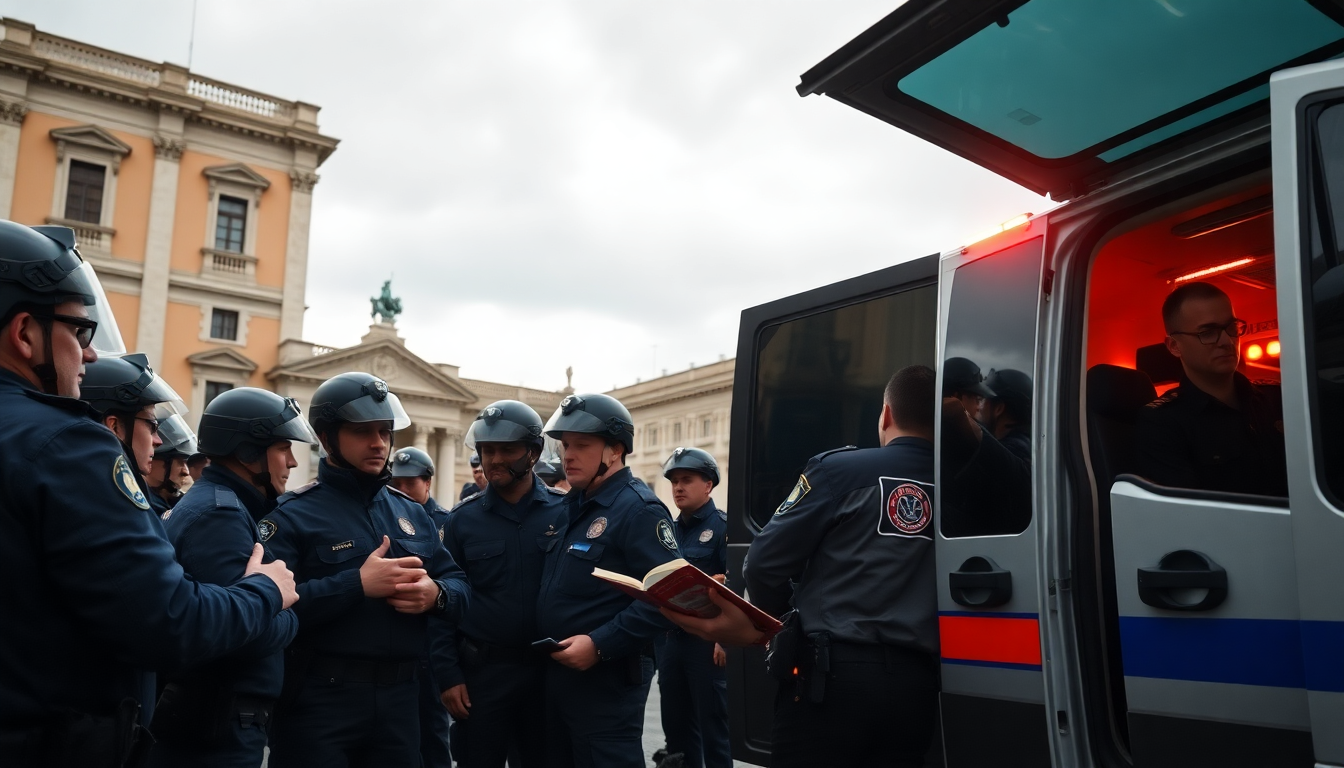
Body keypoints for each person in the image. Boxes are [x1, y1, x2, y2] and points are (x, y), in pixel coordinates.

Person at [0, 220, 298, 766]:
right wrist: (266, 593)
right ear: (24, 333)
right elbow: (169, 622)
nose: (89, 357)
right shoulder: (67, 443)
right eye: (79, 333)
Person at [673, 365, 940, 768]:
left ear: (885, 414)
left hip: (833, 680)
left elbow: (764, 562)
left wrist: (774, 622)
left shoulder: (839, 471)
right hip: (919, 682)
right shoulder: (964, 484)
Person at [263, 371, 471, 768]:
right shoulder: (293, 516)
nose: (378, 443)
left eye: (384, 431)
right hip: (319, 701)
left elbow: (461, 586)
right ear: (327, 439)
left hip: (401, 703)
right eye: (362, 432)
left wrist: (436, 595)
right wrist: (355, 584)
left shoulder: (411, 512)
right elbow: (271, 608)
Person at [149, 387, 318, 767]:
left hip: (216, 715)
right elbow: (241, 632)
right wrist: (286, 609)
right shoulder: (219, 515)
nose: (292, 462)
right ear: (246, 452)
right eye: (282, 449)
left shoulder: (219, 504)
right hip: (218, 723)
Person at [536, 393, 681, 768]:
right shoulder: (573, 507)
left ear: (615, 450)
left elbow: (669, 598)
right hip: (560, 679)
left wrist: (600, 644)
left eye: (582, 445)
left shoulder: (639, 509)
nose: (568, 454)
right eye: (565, 445)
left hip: (607, 684)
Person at [437, 400, 566, 768]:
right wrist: (448, 676)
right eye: (487, 450)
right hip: (482, 678)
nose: (494, 459)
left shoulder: (567, 512)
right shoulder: (462, 521)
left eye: (506, 449)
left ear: (533, 453)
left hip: (548, 676)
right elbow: (442, 604)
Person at [1136, 282, 1288, 497]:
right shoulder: (1164, 423)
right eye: (1207, 333)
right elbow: (1189, 515)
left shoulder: (1276, 398)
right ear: (1174, 346)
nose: (1227, 341)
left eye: (1232, 328)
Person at [655, 447, 730, 768]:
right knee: (676, 732)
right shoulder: (666, 530)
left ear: (709, 485)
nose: (678, 488)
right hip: (673, 641)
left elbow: (736, 590)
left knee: (715, 732)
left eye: (686, 480)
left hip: (707, 644)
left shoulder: (724, 528)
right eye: (673, 481)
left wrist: (725, 639)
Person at [389, 446, 453, 768]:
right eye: (395, 483)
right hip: (398, 642)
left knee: (433, 733)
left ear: (427, 482)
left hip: (433, 644)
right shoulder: (383, 516)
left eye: (409, 483)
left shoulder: (446, 523)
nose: (401, 490)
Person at [145, 412, 199, 512]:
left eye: (186, 462)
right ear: (151, 461)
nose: (186, 472)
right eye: (179, 462)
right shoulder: (142, 507)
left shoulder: (178, 502)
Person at [982, 368, 1032, 463]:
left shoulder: (1004, 454)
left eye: (984, 400)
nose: (979, 407)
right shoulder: (1023, 445)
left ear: (999, 409)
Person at [942, 356, 995, 424]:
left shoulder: (934, 429)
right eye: (977, 400)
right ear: (955, 399)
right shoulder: (968, 432)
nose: (979, 407)